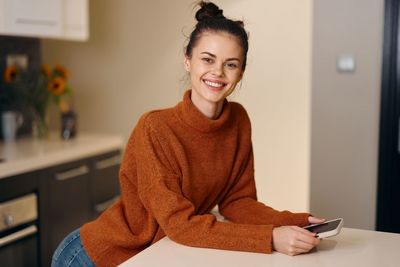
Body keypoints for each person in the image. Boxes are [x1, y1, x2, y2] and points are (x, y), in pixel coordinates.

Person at [51, 1, 324, 266]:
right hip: (95, 256)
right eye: (207, 59)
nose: (217, 72)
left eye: (231, 64)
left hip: (159, 254)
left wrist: (295, 221)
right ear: (187, 61)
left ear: (241, 73)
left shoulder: (238, 120)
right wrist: (270, 238)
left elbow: (237, 202)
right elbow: (180, 225)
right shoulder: (155, 128)